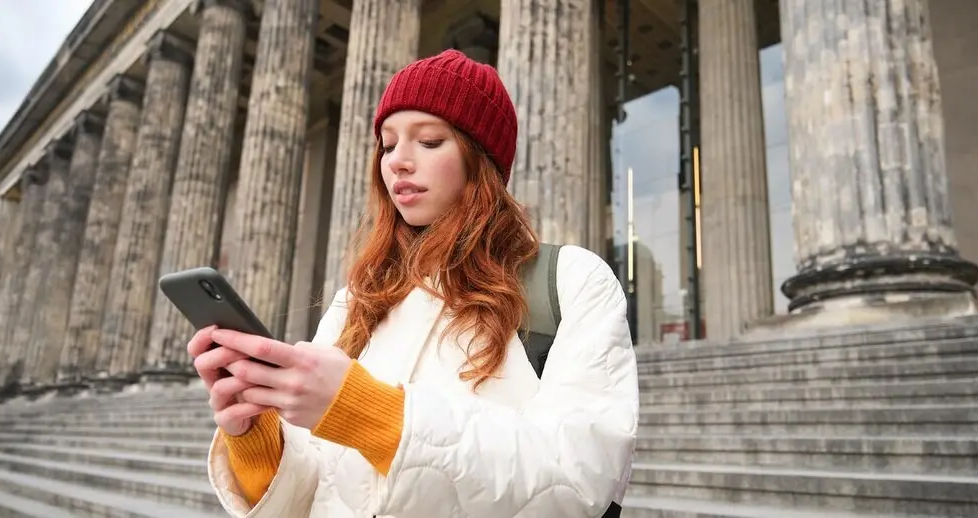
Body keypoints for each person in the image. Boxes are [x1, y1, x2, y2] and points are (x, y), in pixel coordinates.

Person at [186, 49, 639, 518]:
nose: (398, 161)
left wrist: (368, 412)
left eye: (428, 141)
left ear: (480, 158)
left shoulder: (572, 280)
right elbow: (316, 494)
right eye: (387, 144)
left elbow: (578, 484)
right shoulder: (356, 302)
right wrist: (256, 438)